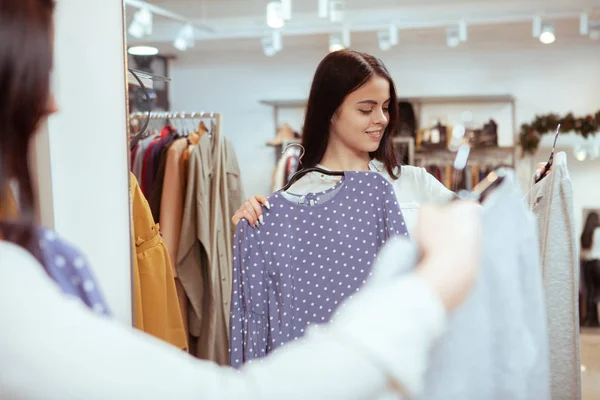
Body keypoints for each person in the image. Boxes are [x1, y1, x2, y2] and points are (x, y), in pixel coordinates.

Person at [0, 1, 485, 398]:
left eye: (385, 109)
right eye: (36, 73)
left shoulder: (396, 185)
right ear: (331, 111)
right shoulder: (274, 209)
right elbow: (242, 375)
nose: (53, 102)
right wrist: (432, 288)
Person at [232, 50, 549, 232]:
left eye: (385, 108)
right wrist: (252, 220)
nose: (382, 119)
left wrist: (539, 192)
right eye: (366, 109)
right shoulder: (298, 196)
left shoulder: (413, 181)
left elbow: (487, 222)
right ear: (330, 111)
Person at [580, 211, 600, 326]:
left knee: (590, 292)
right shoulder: (598, 231)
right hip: (598, 263)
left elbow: (583, 253)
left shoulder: (584, 234)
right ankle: (597, 320)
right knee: (598, 292)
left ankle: (590, 320)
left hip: (587, 264)